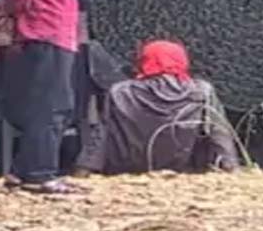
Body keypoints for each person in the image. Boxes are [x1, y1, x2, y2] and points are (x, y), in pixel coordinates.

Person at [0, 0, 84, 194]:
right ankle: (40, 174)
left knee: (52, 103)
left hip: (52, 32)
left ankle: (23, 171)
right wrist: (19, 16)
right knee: (52, 106)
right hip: (44, 31)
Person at [76, 40, 239, 176]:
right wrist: (232, 169)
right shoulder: (201, 91)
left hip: (126, 172)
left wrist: (82, 170)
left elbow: (100, 135)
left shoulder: (119, 91)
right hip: (181, 172)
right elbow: (219, 135)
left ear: (143, 61)